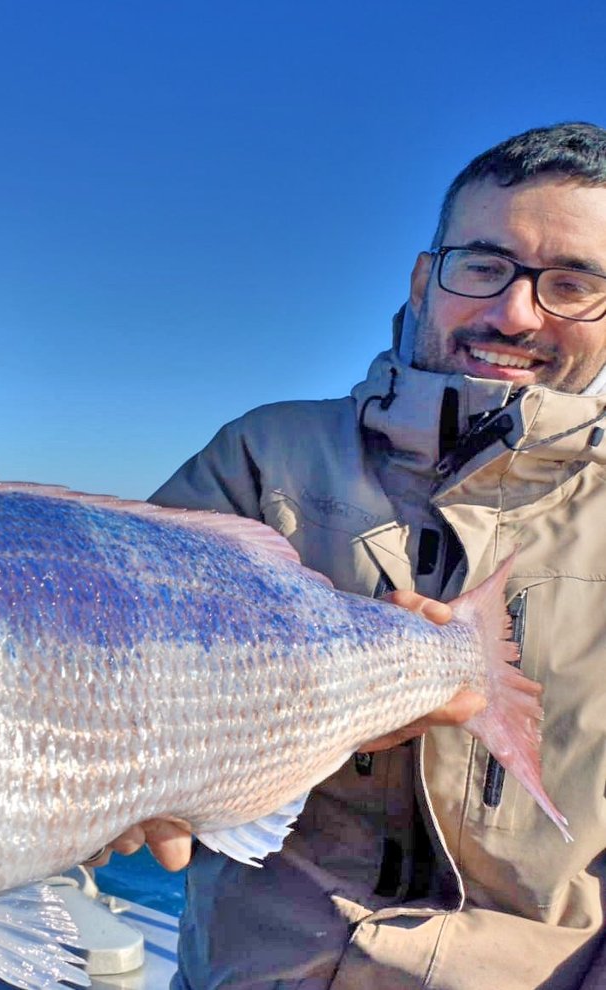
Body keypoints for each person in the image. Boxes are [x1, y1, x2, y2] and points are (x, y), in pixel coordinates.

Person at [143, 122, 606, 989]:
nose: (514, 313)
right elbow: (130, 657)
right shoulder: (263, 455)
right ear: (426, 279)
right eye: (484, 265)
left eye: (572, 284)